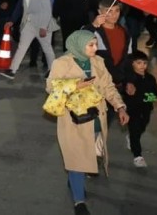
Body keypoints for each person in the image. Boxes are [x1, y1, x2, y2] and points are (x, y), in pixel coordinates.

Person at [46, 30, 129, 215]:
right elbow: (50, 86)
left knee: (88, 155)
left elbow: (108, 87)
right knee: (77, 158)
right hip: (74, 121)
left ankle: (75, 178)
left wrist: (120, 106)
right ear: (78, 45)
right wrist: (76, 84)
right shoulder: (62, 63)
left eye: (95, 44)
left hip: (97, 118)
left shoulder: (98, 62)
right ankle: (79, 202)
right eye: (90, 45)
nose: (94, 48)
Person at [0, 0, 58, 80]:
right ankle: (12, 70)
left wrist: (43, 27)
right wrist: (12, 21)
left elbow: (47, 10)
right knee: (22, 47)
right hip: (29, 24)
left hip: (42, 25)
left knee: (47, 48)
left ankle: (52, 70)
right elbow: (20, 9)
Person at [122, 51, 157, 168]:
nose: (142, 66)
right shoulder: (128, 80)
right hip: (132, 110)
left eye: (145, 63)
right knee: (134, 130)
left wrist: (148, 97)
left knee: (141, 127)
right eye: (139, 63)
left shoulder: (150, 78)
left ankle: (132, 138)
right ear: (132, 64)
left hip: (146, 109)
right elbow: (122, 93)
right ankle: (138, 156)